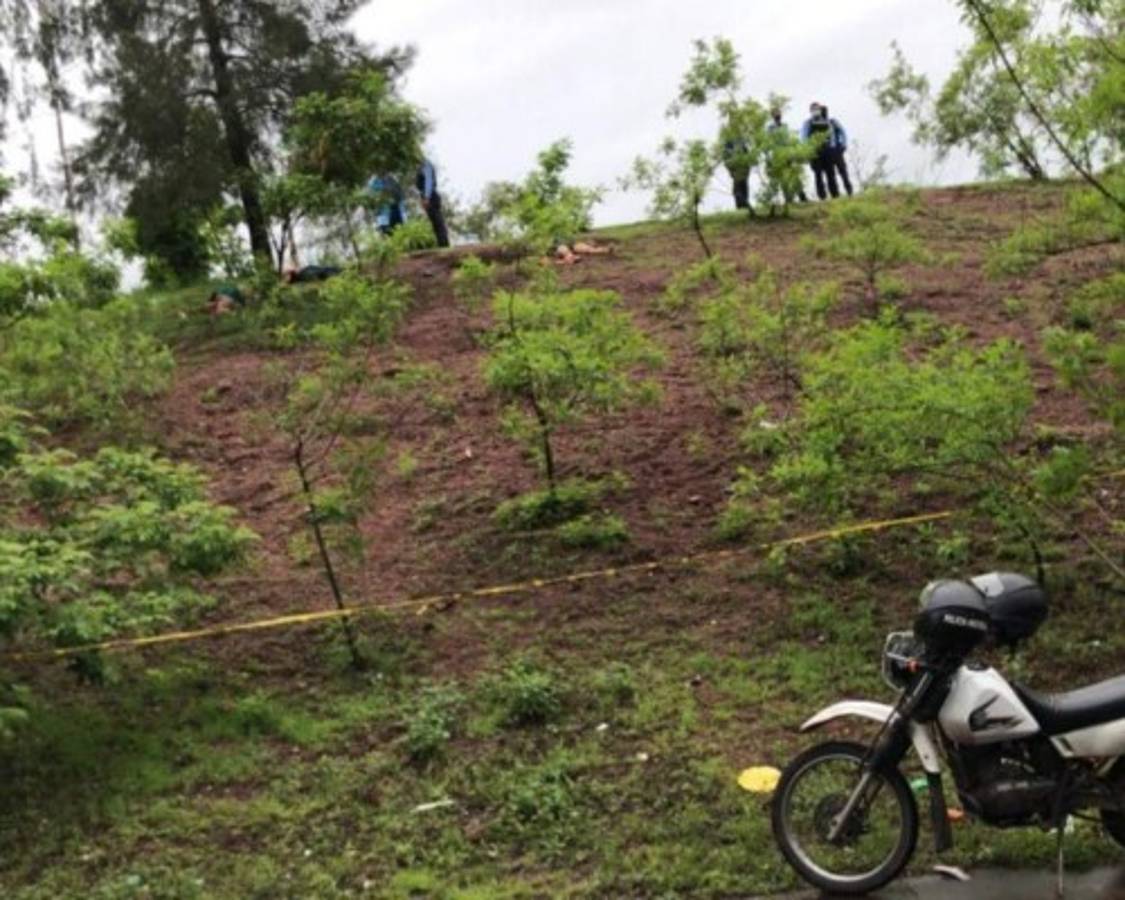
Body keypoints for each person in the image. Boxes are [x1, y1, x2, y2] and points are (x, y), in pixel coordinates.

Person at [767, 107, 809, 204]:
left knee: (794, 176)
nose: (778, 115)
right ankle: (788, 199)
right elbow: (769, 143)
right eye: (775, 113)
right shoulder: (770, 128)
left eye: (779, 113)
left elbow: (788, 140)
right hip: (777, 155)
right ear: (772, 116)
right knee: (783, 178)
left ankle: (802, 197)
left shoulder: (785, 126)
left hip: (787, 154)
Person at [800, 102, 840, 200]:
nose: (816, 111)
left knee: (831, 173)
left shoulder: (827, 122)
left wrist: (833, 148)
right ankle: (822, 196)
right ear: (810, 111)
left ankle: (835, 195)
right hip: (815, 151)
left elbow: (832, 136)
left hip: (827, 150)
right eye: (814, 109)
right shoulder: (808, 123)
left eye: (817, 109)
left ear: (820, 110)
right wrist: (807, 151)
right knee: (818, 174)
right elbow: (804, 138)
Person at [415, 157, 450, 248]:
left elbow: (428, 181)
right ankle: (441, 244)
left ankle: (444, 244)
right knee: (434, 222)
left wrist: (426, 197)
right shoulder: (420, 167)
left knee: (438, 221)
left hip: (431, 196)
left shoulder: (426, 164)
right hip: (426, 195)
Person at [822, 105, 854, 197]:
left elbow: (842, 132)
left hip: (836, 149)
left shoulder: (833, 121)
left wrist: (843, 144)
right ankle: (835, 195)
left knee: (843, 171)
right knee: (830, 174)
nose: (824, 113)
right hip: (826, 152)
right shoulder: (817, 125)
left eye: (825, 111)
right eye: (822, 111)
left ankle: (849, 190)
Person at [722, 134, 752, 211]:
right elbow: (725, 157)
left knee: (744, 187)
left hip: (744, 168)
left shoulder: (741, 140)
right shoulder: (729, 142)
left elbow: (747, 154)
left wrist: (748, 168)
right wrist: (730, 169)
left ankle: (745, 207)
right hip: (735, 169)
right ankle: (740, 207)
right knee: (737, 190)